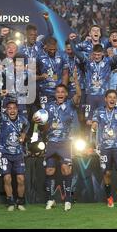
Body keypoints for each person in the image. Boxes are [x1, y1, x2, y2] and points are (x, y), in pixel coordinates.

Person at [34, 68, 81, 212]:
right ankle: (50, 199)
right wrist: (36, 120)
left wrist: (75, 80)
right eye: (58, 92)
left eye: (62, 92)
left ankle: (67, 200)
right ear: (55, 94)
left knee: (66, 170)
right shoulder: (48, 107)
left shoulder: (71, 105)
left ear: (66, 94)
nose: (60, 94)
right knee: (49, 170)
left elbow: (78, 94)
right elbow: (41, 124)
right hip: (51, 143)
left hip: (65, 143)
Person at [0, 99, 29, 211]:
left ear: (18, 110)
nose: (12, 111)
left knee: (21, 179)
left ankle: (20, 202)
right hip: (4, 154)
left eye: (14, 108)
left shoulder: (23, 120)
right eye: (9, 108)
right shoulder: (2, 119)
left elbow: (27, 125)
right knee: (7, 178)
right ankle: (10, 202)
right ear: (6, 110)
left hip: (18, 154)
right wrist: (0, 98)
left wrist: (23, 134)